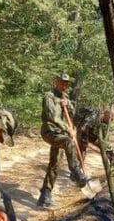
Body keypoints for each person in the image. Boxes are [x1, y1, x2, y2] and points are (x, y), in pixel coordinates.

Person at [37, 73, 89, 207]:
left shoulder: (65, 97)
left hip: (60, 133)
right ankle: (76, 172)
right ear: (56, 82)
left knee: (55, 164)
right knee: (68, 142)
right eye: (62, 82)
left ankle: (45, 195)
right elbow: (52, 117)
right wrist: (68, 129)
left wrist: (69, 105)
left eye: (66, 83)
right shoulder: (49, 96)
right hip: (50, 132)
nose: (64, 85)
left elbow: (72, 113)